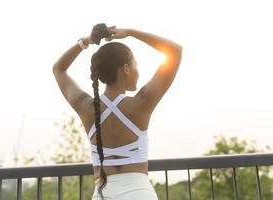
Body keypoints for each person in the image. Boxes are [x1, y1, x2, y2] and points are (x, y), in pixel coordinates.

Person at [53, 24, 182, 200]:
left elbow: (58, 69)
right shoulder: (141, 103)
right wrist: (131, 32)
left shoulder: (86, 106)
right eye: (135, 64)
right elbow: (174, 51)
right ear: (126, 69)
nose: (138, 70)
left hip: (104, 194)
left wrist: (86, 41)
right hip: (139, 194)